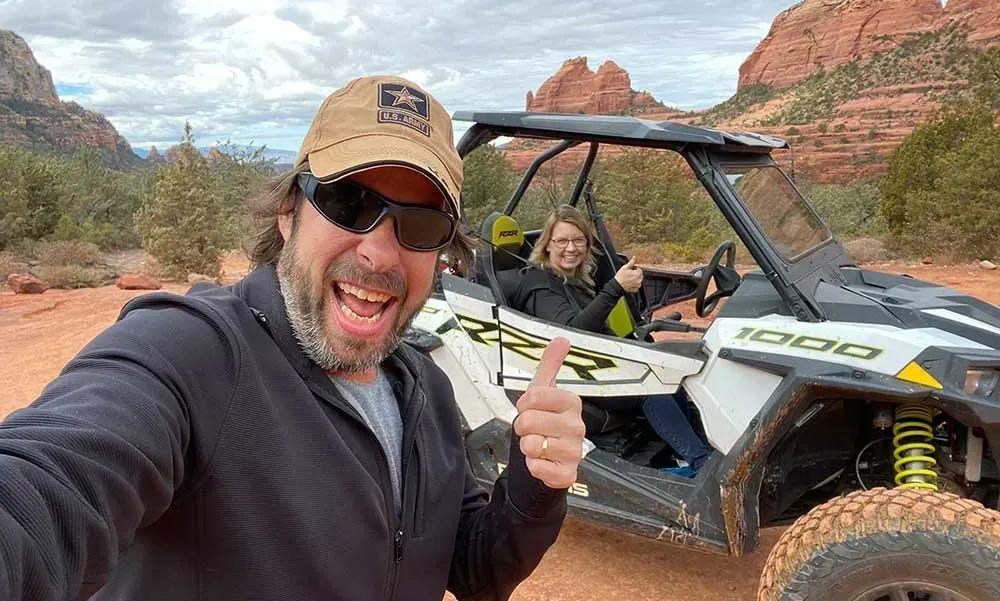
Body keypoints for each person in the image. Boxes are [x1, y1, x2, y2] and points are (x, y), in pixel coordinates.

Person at [0, 76, 586, 601]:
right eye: (349, 202)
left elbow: (474, 569)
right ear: (288, 212)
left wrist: (532, 488)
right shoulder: (192, 353)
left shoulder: (425, 391)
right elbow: (48, 484)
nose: (380, 252)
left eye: (422, 223)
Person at [515, 205, 712, 477]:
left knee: (671, 376)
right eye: (561, 241)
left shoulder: (573, 280)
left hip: (594, 365)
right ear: (547, 245)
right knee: (650, 387)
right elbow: (573, 334)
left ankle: (686, 453)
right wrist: (616, 287)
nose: (570, 248)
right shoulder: (540, 285)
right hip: (573, 377)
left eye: (578, 240)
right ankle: (702, 464)